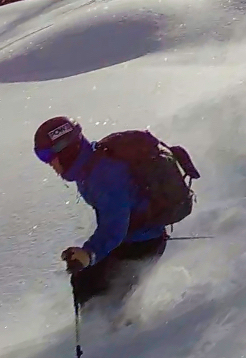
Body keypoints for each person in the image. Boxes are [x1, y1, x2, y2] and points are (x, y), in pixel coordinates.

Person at [33, 116, 198, 311]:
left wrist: (88, 253)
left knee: (105, 298)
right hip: (131, 240)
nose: (49, 164)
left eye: (48, 156)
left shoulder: (104, 176)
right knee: (86, 283)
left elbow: (114, 228)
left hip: (142, 245)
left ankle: (120, 336)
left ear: (66, 150)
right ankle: (107, 330)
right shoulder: (89, 167)